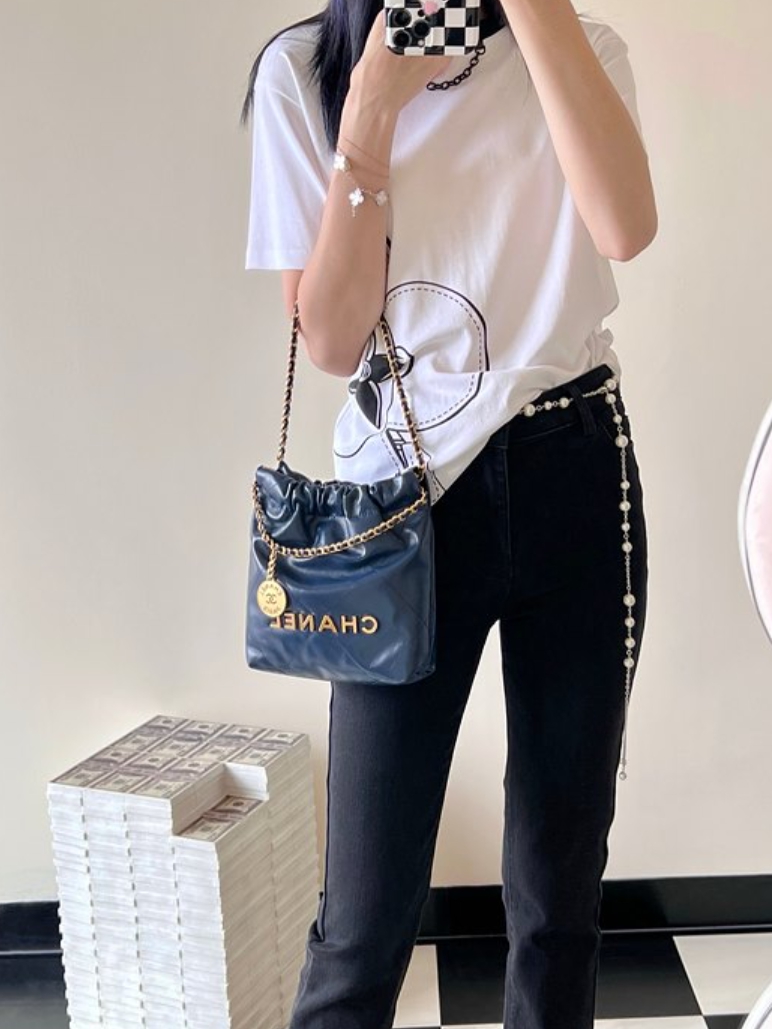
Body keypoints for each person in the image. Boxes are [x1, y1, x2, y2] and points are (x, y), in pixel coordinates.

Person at [241, 1, 657, 1026]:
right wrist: (372, 112)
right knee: (362, 919)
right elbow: (333, 340)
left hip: (575, 471)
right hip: (400, 507)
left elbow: (625, 229)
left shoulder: (583, 48)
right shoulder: (306, 71)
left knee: (559, 893)